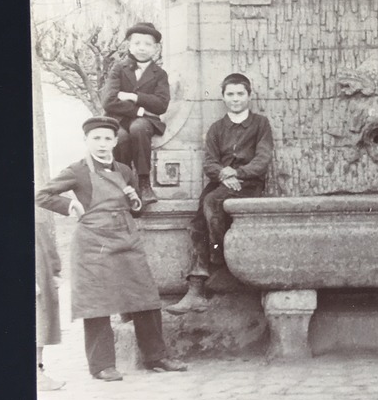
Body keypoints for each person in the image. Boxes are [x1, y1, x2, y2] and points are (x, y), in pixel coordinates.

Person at [35, 117, 187, 381]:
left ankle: (156, 357)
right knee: (97, 303)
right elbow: (42, 195)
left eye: (107, 138)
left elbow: (133, 208)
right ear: (86, 141)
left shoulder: (124, 171)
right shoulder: (78, 170)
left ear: (115, 142)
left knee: (145, 296)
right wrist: (71, 206)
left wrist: (135, 202)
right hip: (95, 245)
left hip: (126, 240)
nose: (102, 144)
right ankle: (102, 365)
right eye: (96, 138)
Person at [167, 73, 273, 314]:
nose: (235, 99)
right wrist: (225, 174)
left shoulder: (260, 124)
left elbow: (263, 159)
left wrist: (239, 173)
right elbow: (209, 163)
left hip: (249, 184)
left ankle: (217, 262)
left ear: (249, 95)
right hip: (222, 182)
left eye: (240, 94)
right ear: (223, 97)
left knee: (213, 202)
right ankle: (195, 289)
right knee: (197, 223)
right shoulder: (217, 128)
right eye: (230, 94)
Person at [101, 21, 170, 205]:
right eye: (137, 43)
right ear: (129, 45)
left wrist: (134, 96)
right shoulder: (118, 68)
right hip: (119, 119)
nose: (142, 48)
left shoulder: (160, 74)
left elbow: (161, 104)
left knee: (139, 128)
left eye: (148, 44)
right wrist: (138, 109)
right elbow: (109, 101)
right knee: (121, 137)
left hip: (144, 122)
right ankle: (123, 183)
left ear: (156, 48)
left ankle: (144, 182)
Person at [35, 208, 65, 391]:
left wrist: (54, 271)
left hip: (41, 272)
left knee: (41, 325)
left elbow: (47, 244)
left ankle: (39, 370)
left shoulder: (38, 222)